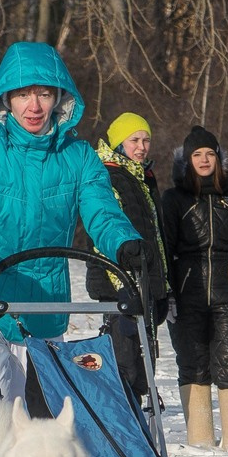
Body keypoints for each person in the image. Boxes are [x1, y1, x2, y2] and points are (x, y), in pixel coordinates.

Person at [0, 42, 146, 457]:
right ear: (5, 100)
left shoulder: (79, 157)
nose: (34, 106)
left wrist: (124, 243)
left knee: (35, 431)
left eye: (45, 94)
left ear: (61, 99)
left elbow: (101, 212)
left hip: (43, 308)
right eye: (23, 94)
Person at [157, 126, 228, 453]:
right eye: (197, 155)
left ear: (219, 159)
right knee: (192, 362)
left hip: (227, 289)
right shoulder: (174, 199)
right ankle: (200, 438)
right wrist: (168, 292)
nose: (204, 160)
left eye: (210, 154)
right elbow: (165, 248)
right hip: (187, 290)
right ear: (186, 161)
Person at [92, 111, 169, 401]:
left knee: (144, 363)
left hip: (144, 282)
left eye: (146, 140)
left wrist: (163, 286)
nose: (141, 146)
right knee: (125, 365)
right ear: (118, 144)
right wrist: (123, 283)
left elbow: (156, 238)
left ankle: (139, 427)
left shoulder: (143, 178)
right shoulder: (109, 177)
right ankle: (123, 428)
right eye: (134, 140)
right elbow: (104, 236)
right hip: (120, 285)